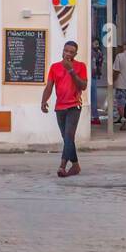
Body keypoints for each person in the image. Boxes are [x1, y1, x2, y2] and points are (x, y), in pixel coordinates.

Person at [40, 40, 87, 178]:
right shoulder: (54, 67)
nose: (67, 54)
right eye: (66, 50)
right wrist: (44, 101)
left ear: (75, 54)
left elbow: (83, 85)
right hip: (60, 107)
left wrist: (71, 70)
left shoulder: (80, 66)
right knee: (67, 138)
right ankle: (76, 165)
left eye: (71, 52)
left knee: (68, 136)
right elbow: (49, 86)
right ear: (62, 51)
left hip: (74, 105)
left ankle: (62, 166)